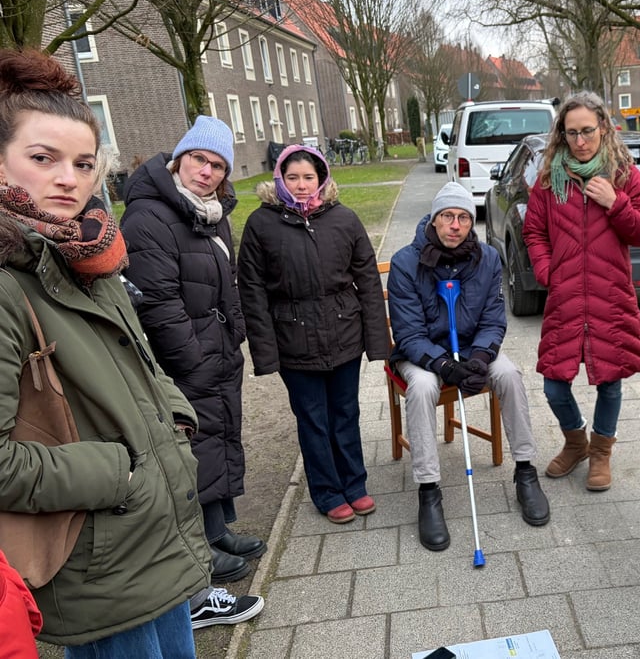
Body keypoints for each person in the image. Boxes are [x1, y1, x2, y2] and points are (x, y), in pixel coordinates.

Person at [0, 47, 209, 654]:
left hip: (154, 540)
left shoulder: (88, 257)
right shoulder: (10, 282)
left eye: (83, 162)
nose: (68, 177)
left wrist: (175, 422)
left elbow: (139, 363)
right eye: (43, 158)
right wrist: (121, 472)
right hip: (98, 563)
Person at [120, 116, 265, 628]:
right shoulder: (149, 217)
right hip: (187, 360)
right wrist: (193, 359)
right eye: (200, 160)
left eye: (218, 166)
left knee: (218, 437)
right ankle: (201, 549)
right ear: (179, 158)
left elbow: (228, 281)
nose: (207, 172)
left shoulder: (210, 214)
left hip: (218, 350)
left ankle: (218, 529)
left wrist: (238, 332)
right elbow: (156, 303)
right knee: (192, 450)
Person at [388, 182, 550, 551]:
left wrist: (480, 358)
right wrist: (444, 365)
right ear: (434, 220)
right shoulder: (405, 262)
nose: (456, 225)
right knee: (425, 387)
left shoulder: (488, 258)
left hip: (472, 349)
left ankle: (525, 471)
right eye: (447, 216)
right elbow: (408, 333)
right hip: (424, 354)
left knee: (508, 374)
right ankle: (428, 490)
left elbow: (494, 318)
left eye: (463, 217)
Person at [238, 145, 388, 525]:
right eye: (293, 178)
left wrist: (377, 342)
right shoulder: (261, 224)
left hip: (344, 334)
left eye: (309, 177)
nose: (302, 186)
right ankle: (326, 491)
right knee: (313, 419)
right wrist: (266, 355)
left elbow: (368, 281)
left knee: (346, 413)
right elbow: (252, 291)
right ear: (280, 180)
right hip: (294, 339)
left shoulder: (345, 219)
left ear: (321, 179)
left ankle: (354, 484)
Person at [522, 91, 640, 491]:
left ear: (603, 128)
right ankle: (575, 441)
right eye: (571, 133)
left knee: (609, 380)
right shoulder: (550, 181)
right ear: (561, 136)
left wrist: (615, 203)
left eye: (587, 131)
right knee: (553, 382)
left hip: (609, 294)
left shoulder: (623, 175)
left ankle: (601, 452)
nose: (580, 141)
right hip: (565, 296)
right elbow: (533, 231)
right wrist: (549, 271)